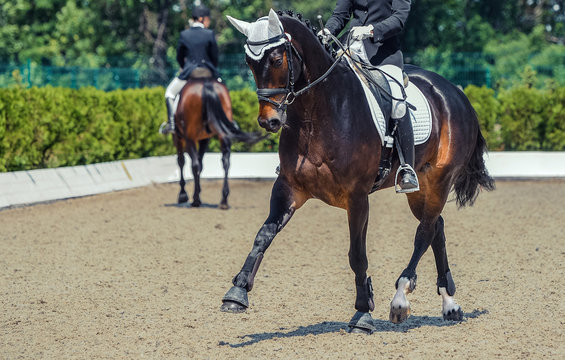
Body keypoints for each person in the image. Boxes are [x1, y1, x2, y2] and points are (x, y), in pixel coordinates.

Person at [319, 0, 418, 192]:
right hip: (350, 49)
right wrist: (328, 31)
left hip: (383, 55)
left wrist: (371, 30)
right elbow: (340, 15)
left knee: (397, 100)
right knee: (321, 84)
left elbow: (399, 18)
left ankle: (407, 167)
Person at [159, 4, 220, 135]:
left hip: (189, 72)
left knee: (169, 93)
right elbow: (214, 57)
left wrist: (184, 67)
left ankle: (171, 124)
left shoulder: (184, 34)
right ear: (202, 19)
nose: (209, 22)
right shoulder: (209, 34)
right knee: (222, 90)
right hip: (208, 72)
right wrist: (213, 69)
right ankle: (228, 121)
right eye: (208, 19)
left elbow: (179, 56)